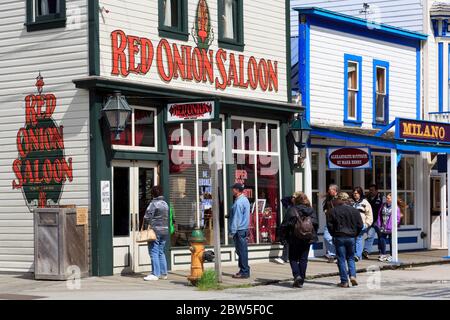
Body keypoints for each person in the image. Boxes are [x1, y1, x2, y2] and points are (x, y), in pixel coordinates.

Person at [280, 192, 319, 288]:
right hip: (307, 238)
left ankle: (297, 275)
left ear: (296, 200)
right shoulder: (311, 210)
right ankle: (301, 279)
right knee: (303, 259)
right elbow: (315, 224)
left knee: (293, 258)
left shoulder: (292, 210)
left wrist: (283, 237)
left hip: (294, 238)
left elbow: (284, 225)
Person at [327, 192, 363, 288]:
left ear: (339, 199)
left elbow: (330, 226)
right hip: (351, 237)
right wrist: (355, 234)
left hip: (339, 236)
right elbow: (360, 225)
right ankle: (352, 275)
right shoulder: (355, 211)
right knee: (351, 258)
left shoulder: (333, 211)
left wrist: (333, 234)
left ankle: (344, 281)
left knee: (341, 259)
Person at [143, 185, 169, 281]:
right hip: (165, 230)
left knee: (153, 251)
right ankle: (164, 273)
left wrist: (145, 225)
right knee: (161, 252)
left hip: (155, 231)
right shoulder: (165, 204)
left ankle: (155, 273)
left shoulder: (153, 204)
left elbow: (147, 217)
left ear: (153, 194)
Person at [229, 183, 251, 279]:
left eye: (233, 189)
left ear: (237, 190)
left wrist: (232, 232)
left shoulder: (238, 202)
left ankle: (244, 271)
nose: (232, 190)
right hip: (244, 228)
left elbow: (237, 218)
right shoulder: (245, 199)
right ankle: (244, 270)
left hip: (239, 229)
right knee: (243, 251)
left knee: (241, 251)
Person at [377, 193, 401, 262]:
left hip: (391, 228)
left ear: (393, 199)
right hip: (383, 227)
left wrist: (394, 226)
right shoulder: (383, 205)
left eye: (389, 198)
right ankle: (383, 254)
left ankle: (392, 255)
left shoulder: (396, 207)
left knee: (392, 242)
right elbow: (379, 215)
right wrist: (379, 224)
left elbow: (398, 218)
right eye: (387, 198)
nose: (387, 199)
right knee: (382, 240)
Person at [363, 184, 385, 259]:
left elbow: (384, 209)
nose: (370, 192)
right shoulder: (367, 198)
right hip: (371, 221)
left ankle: (382, 252)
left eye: (372, 190)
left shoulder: (381, 198)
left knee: (381, 237)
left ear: (376, 190)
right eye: (370, 190)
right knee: (369, 236)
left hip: (379, 221)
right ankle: (366, 251)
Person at [352, 187, 373, 262]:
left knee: (359, 238)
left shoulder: (365, 203)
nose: (355, 195)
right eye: (354, 193)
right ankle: (355, 255)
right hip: (352, 225)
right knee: (353, 240)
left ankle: (357, 255)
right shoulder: (352, 203)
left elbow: (369, 215)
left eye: (356, 193)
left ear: (360, 193)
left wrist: (366, 224)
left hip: (361, 224)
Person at [274, 196, 294, 265]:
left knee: (288, 243)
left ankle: (284, 258)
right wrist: (292, 197)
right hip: (289, 227)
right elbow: (283, 199)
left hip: (292, 227)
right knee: (287, 243)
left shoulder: (295, 207)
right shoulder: (290, 206)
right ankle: (285, 257)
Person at [322, 184, 339, 262]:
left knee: (337, 239)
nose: (328, 191)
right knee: (326, 237)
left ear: (335, 190)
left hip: (338, 222)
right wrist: (325, 210)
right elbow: (325, 207)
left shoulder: (340, 198)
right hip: (329, 222)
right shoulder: (328, 199)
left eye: (330, 190)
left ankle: (337, 255)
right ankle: (332, 254)